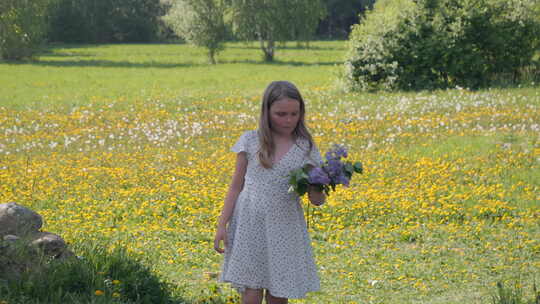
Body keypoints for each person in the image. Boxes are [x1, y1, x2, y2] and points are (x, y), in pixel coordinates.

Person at [214, 81, 326, 304]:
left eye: (294, 113)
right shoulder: (250, 141)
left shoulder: (306, 147)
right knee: (251, 292)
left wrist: (318, 185)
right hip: (249, 223)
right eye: (281, 114)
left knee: (278, 291)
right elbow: (236, 185)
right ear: (266, 112)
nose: (288, 120)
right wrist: (221, 224)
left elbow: (317, 200)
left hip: (284, 225)